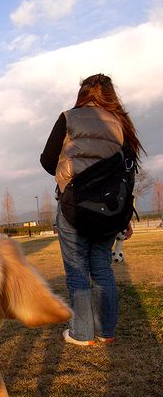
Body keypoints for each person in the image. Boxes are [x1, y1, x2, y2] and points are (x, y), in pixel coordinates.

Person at [40, 73, 144, 346]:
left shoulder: (69, 117)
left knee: (76, 270)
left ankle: (82, 333)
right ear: (110, 95)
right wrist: (125, 215)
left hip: (74, 205)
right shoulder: (121, 124)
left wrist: (67, 171)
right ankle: (105, 331)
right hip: (109, 210)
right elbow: (128, 173)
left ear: (83, 94)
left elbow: (47, 160)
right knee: (102, 268)